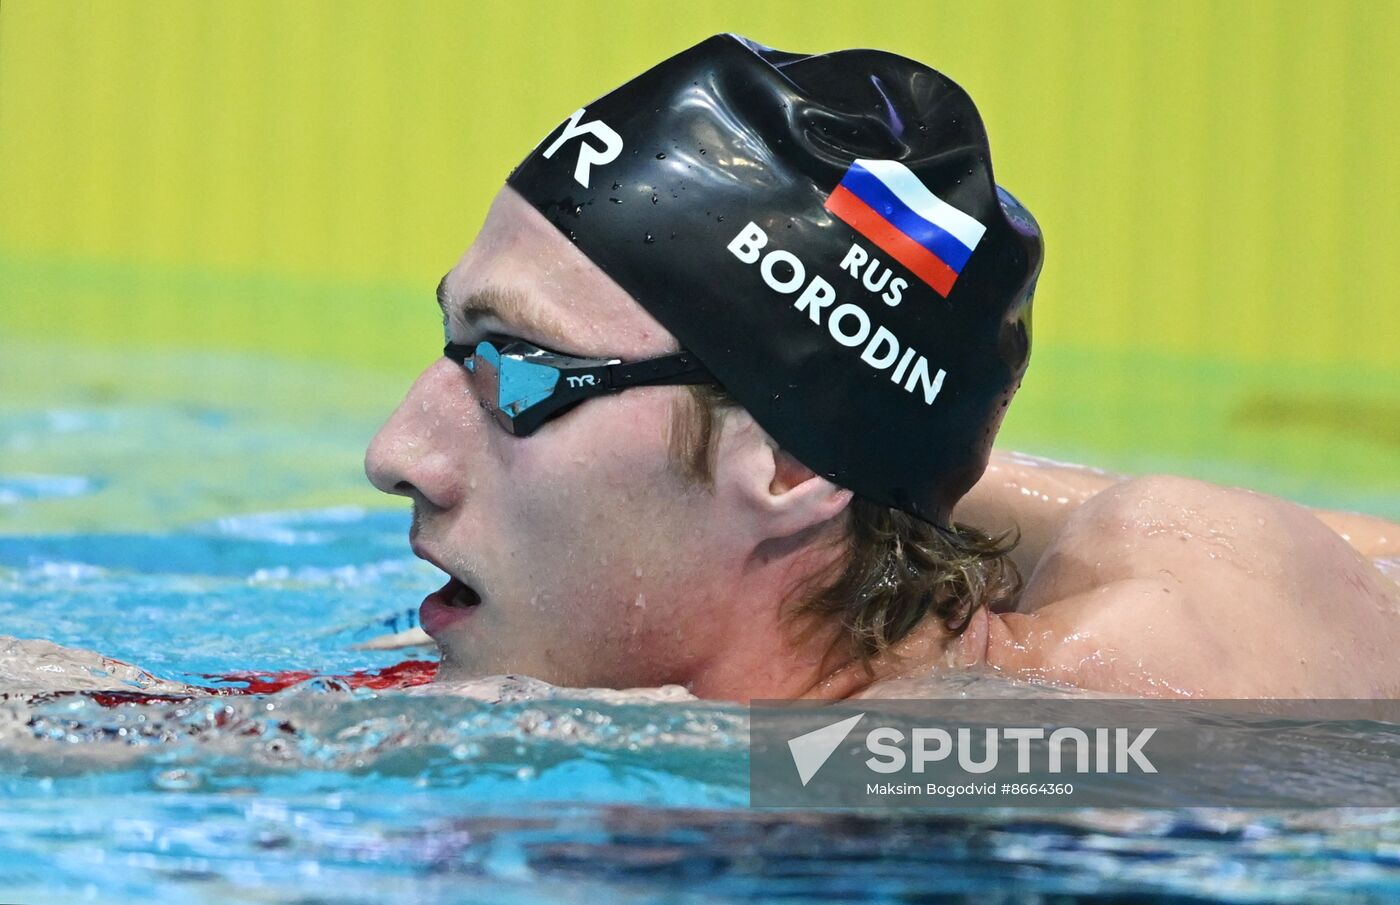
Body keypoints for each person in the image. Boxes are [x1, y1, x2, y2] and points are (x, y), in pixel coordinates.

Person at [363, 34, 1400, 702]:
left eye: (519, 368)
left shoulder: (1137, 718)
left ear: (784, 468)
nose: (397, 452)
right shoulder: (1193, 551)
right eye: (456, 345)